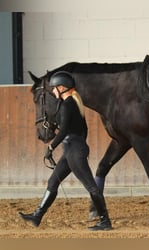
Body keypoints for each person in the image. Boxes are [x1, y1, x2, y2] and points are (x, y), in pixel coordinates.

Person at [19, 71, 112, 231]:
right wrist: (75, 143)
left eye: (54, 88)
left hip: (74, 151)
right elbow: (81, 129)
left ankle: (105, 221)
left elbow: (63, 132)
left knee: (91, 187)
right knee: (53, 182)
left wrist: (51, 147)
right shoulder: (72, 103)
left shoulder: (68, 104)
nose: (53, 91)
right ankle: (37, 215)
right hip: (72, 149)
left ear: (62, 88)